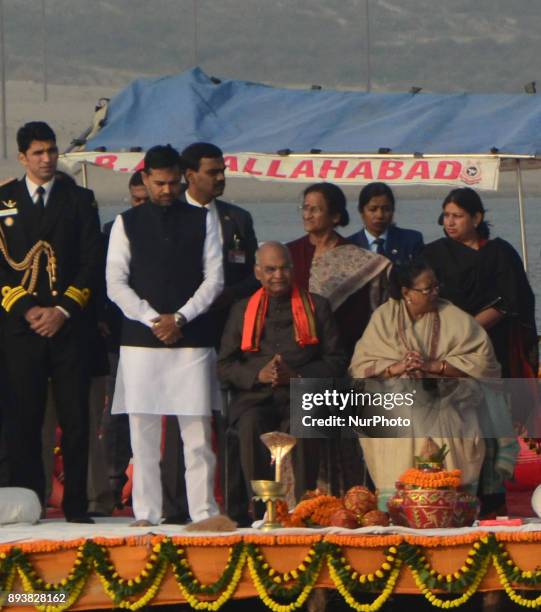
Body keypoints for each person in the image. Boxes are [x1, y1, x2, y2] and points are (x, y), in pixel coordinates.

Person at [106, 144, 223, 526]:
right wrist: (153, 318)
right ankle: (146, 514)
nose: (167, 190)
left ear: (183, 178)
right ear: (144, 179)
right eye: (159, 183)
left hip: (191, 339)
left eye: (173, 182)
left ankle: (203, 512)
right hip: (142, 340)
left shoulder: (203, 219)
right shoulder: (126, 222)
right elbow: (115, 283)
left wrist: (182, 317)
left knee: (197, 434)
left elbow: (215, 279)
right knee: (142, 434)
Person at [0, 121, 102, 523]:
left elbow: (91, 261)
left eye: (52, 151)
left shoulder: (80, 199)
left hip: (67, 327)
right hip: (20, 328)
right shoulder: (3, 200)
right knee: (23, 420)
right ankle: (30, 503)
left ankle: (77, 505)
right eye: (38, 153)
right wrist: (27, 308)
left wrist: (62, 310)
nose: (47, 159)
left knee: (75, 419)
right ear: (22, 157)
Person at [349, 259, 510, 509]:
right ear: (406, 293)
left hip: (450, 399)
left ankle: (452, 503)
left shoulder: (455, 317)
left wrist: (434, 366)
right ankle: (398, 504)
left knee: (444, 415)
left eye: (436, 286)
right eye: (427, 289)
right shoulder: (383, 318)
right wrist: (398, 368)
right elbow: (361, 367)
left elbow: (484, 363)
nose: (435, 292)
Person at [160, 142, 259, 525]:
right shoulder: (170, 216)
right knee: (182, 421)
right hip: (182, 334)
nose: (220, 178)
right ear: (190, 175)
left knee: (227, 419)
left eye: (222, 171)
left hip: (228, 333)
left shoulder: (237, 219)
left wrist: (228, 295)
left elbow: (253, 274)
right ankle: (174, 507)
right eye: (212, 172)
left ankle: (233, 506)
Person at [423, 187, 537, 513]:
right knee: (457, 427)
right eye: (446, 215)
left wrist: (470, 329)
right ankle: (453, 498)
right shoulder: (433, 254)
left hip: (492, 350)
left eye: (457, 216)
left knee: (493, 425)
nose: (450, 222)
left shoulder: (499, 253)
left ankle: (495, 502)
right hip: (446, 351)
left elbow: (511, 300)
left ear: (477, 217)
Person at [217, 242, 347, 516]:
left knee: (305, 420)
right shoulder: (242, 310)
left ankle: (304, 507)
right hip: (256, 397)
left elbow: (336, 361)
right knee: (250, 424)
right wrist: (258, 374)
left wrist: (297, 376)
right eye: (270, 269)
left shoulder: (317, 306)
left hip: (300, 394)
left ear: (294, 269)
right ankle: (260, 508)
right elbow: (225, 365)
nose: (278, 275)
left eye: (284, 268)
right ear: (257, 273)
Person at [101, 171, 149, 509]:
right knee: (120, 414)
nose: (141, 206)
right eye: (136, 201)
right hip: (124, 334)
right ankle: (115, 481)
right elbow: (108, 281)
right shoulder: (115, 230)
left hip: (321, 366)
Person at [348, 182, 424, 264]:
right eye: (373, 209)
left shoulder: (411, 240)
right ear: (361, 211)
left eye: (386, 209)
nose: (380, 215)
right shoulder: (350, 246)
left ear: (393, 210)